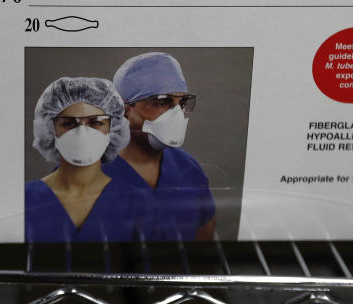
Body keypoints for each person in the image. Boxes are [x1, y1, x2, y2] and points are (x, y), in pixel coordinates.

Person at [25, 76, 155, 242]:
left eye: (95, 123)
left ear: (113, 128)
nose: (82, 133)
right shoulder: (24, 200)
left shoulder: (138, 204)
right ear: (50, 130)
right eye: (69, 124)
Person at [102, 52, 216, 241]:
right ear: (124, 110)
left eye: (182, 103)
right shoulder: (80, 174)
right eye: (162, 102)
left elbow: (204, 237)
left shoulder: (188, 169)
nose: (177, 115)